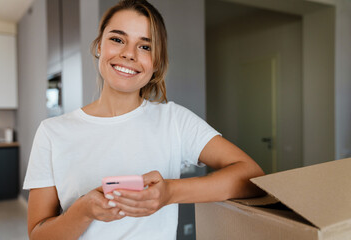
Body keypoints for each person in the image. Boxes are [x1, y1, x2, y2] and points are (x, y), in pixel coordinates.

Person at [23, 0, 265, 239]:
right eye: (117, 39)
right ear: (99, 46)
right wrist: (83, 211)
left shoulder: (175, 120)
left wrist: (170, 192)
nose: (129, 54)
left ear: (156, 63)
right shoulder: (52, 132)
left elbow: (253, 176)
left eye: (145, 47)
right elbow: (38, 234)